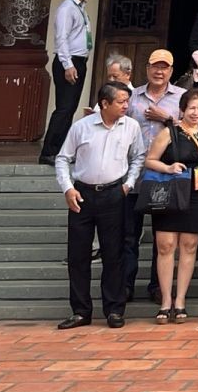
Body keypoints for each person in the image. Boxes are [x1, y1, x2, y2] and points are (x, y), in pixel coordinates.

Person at [53, 79, 141, 329]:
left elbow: (138, 157)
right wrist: (68, 188)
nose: (126, 105)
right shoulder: (81, 127)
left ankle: (114, 309)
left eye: (127, 101)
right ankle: (81, 311)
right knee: (78, 255)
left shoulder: (131, 127)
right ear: (105, 103)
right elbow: (62, 159)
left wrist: (129, 183)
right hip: (82, 194)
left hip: (115, 193)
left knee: (114, 254)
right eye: (121, 101)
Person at [139, 85, 198, 323]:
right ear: (182, 109)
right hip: (170, 192)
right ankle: (165, 301)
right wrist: (168, 167)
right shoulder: (169, 132)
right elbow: (149, 161)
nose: (196, 112)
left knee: (189, 247)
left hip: (197, 194)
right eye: (192, 107)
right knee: (166, 246)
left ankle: (180, 300)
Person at [124, 49, 184, 306]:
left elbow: (192, 127)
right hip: (134, 174)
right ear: (147, 68)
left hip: (165, 175)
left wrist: (168, 118)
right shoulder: (132, 96)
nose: (159, 72)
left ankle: (157, 286)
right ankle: (125, 285)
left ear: (171, 71)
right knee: (128, 235)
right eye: (155, 67)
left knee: (164, 237)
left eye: (165, 67)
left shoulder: (181, 97)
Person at [38, 0, 96, 166]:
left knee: (70, 107)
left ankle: (61, 151)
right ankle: (49, 152)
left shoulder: (80, 8)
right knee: (63, 108)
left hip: (78, 61)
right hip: (69, 61)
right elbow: (61, 39)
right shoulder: (67, 9)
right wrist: (68, 65)